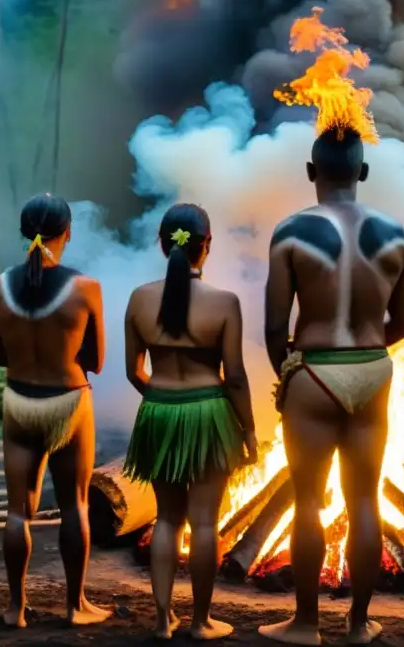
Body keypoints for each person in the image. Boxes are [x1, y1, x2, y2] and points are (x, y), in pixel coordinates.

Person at [258, 125, 404, 647]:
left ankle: (306, 624)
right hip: (372, 366)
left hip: (315, 368)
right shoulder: (396, 235)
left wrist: (290, 372)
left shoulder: (291, 232)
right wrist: (367, 352)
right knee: (365, 499)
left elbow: (274, 327)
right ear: (363, 173)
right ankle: (357, 623)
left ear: (311, 173)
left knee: (307, 502)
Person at [122, 203, 257, 641]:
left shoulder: (140, 299)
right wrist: (248, 429)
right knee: (203, 524)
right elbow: (234, 376)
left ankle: (162, 620)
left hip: (158, 410)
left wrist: (161, 401)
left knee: (165, 519)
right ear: (208, 245)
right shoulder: (224, 303)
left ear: (162, 244)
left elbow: (133, 371)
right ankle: (201, 621)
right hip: (209, 412)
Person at [0, 193, 109, 629]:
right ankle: (76, 606)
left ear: (24, 232)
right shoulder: (85, 288)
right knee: (75, 506)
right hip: (68, 402)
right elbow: (95, 361)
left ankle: (15, 608)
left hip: (19, 402)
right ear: (67, 234)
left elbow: (1, 357)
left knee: (19, 509)